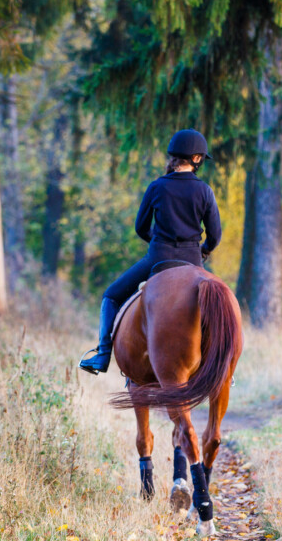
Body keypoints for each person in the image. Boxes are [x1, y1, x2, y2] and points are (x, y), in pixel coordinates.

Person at [79, 129, 223, 375]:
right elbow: (215, 235)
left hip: (158, 259)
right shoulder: (205, 191)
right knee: (220, 304)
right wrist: (203, 251)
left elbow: (140, 227)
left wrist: (157, 242)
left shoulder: (157, 187)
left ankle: (102, 355)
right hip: (192, 262)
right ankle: (223, 365)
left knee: (111, 296)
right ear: (197, 158)